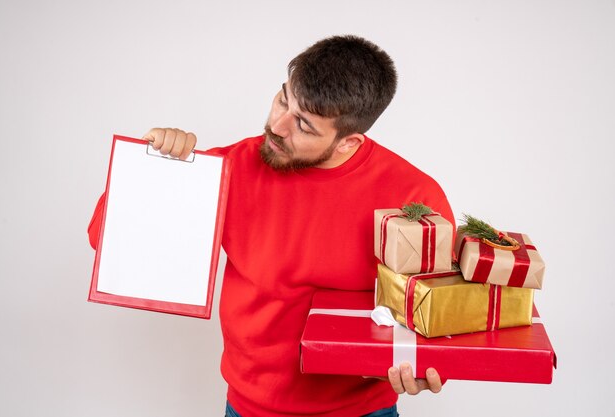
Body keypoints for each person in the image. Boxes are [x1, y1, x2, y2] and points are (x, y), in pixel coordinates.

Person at [88, 35, 454, 417]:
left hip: (363, 409)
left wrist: (426, 365)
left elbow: (440, 313)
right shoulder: (230, 169)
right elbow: (105, 240)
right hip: (249, 408)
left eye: (304, 125)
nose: (277, 126)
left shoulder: (415, 197)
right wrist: (157, 169)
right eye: (283, 99)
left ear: (349, 142)